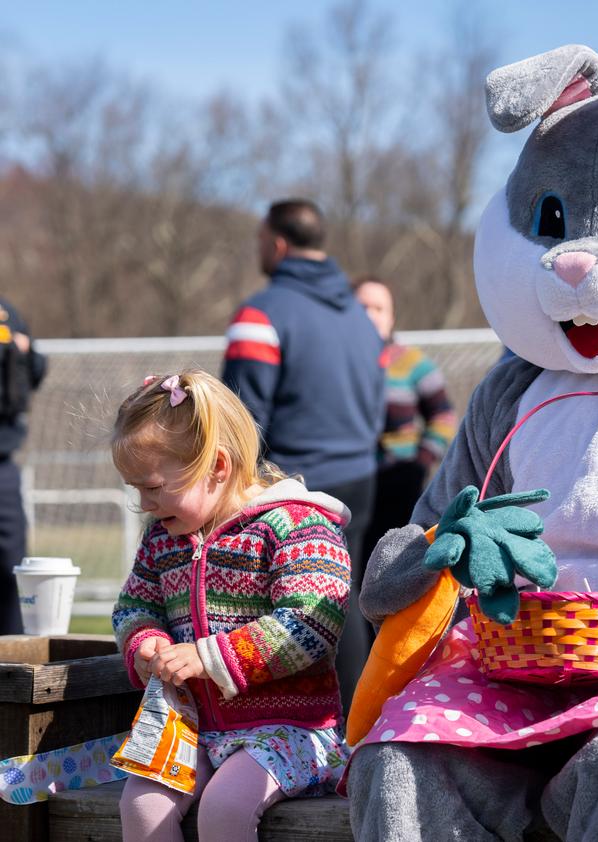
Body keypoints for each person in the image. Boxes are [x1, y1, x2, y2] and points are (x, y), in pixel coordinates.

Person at [110, 370, 351, 842]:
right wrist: (146, 643)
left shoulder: (294, 525)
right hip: (195, 730)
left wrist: (209, 655)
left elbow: (312, 620)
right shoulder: (164, 538)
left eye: (154, 487)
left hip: (290, 731)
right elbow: (133, 605)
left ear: (217, 466)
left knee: (224, 808)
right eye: (135, 488)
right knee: (141, 805)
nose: (144, 503)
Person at [222, 198, 384, 714]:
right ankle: (356, 728)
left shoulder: (261, 315)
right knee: (343, 601)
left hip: (288, 490)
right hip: (359, 475)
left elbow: (238, 420)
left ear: (276, 244)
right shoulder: (361, 319)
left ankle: (278, 733)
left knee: (273, 611)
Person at [351, 277, 457, 554]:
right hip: (347, 483)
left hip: (399, 484)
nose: (369, 315)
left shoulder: (412, 363)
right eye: (361, 306)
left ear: (391, 316)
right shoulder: (335, 361)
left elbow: (444, 417)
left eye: (378, 308)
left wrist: (421, 462)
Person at [0, 296, 47, 634]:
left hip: (2, 463)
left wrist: (23, 352)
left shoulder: (6, 314)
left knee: (11, 569)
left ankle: (11, 665)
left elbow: (35, 371)